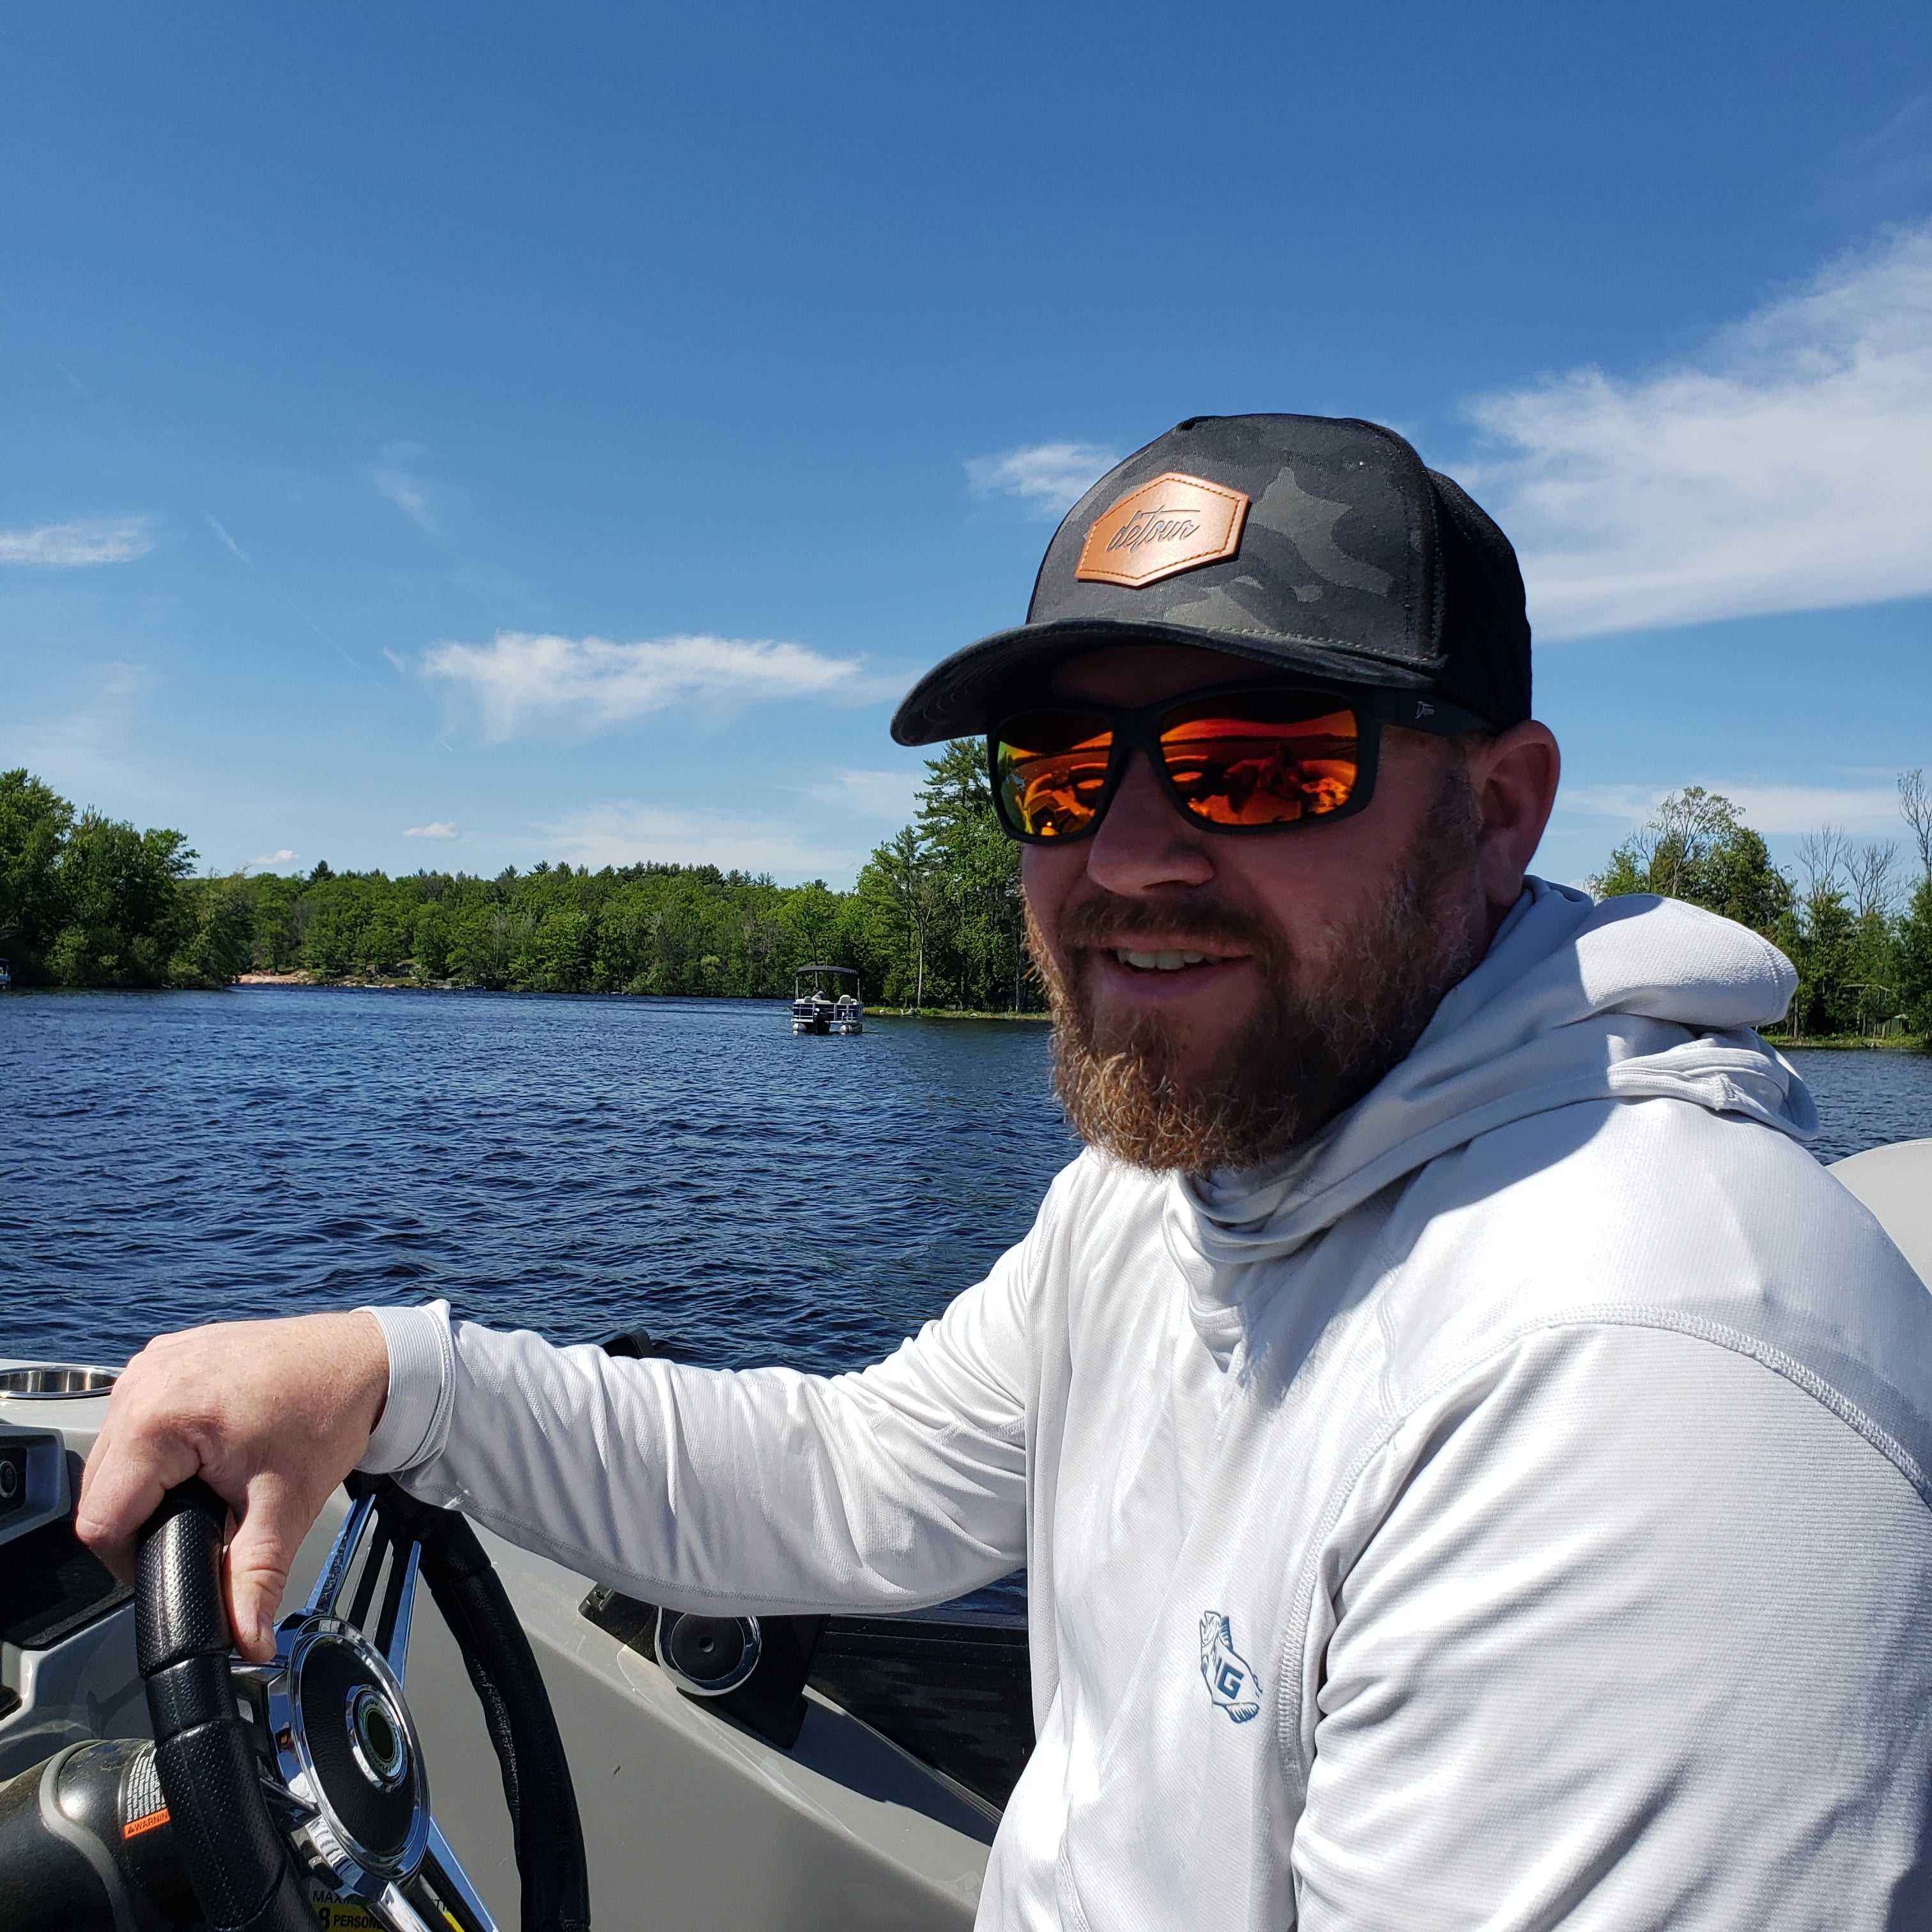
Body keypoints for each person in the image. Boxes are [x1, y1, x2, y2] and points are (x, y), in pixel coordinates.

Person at [80, 415, 1932, 1929]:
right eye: (1059, 777)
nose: (1125, 850)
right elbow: (855, 1483)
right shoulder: (1183, 1179)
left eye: (1257, 765)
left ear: (1499, 808)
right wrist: (404, 1378)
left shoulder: (1640, 1386)